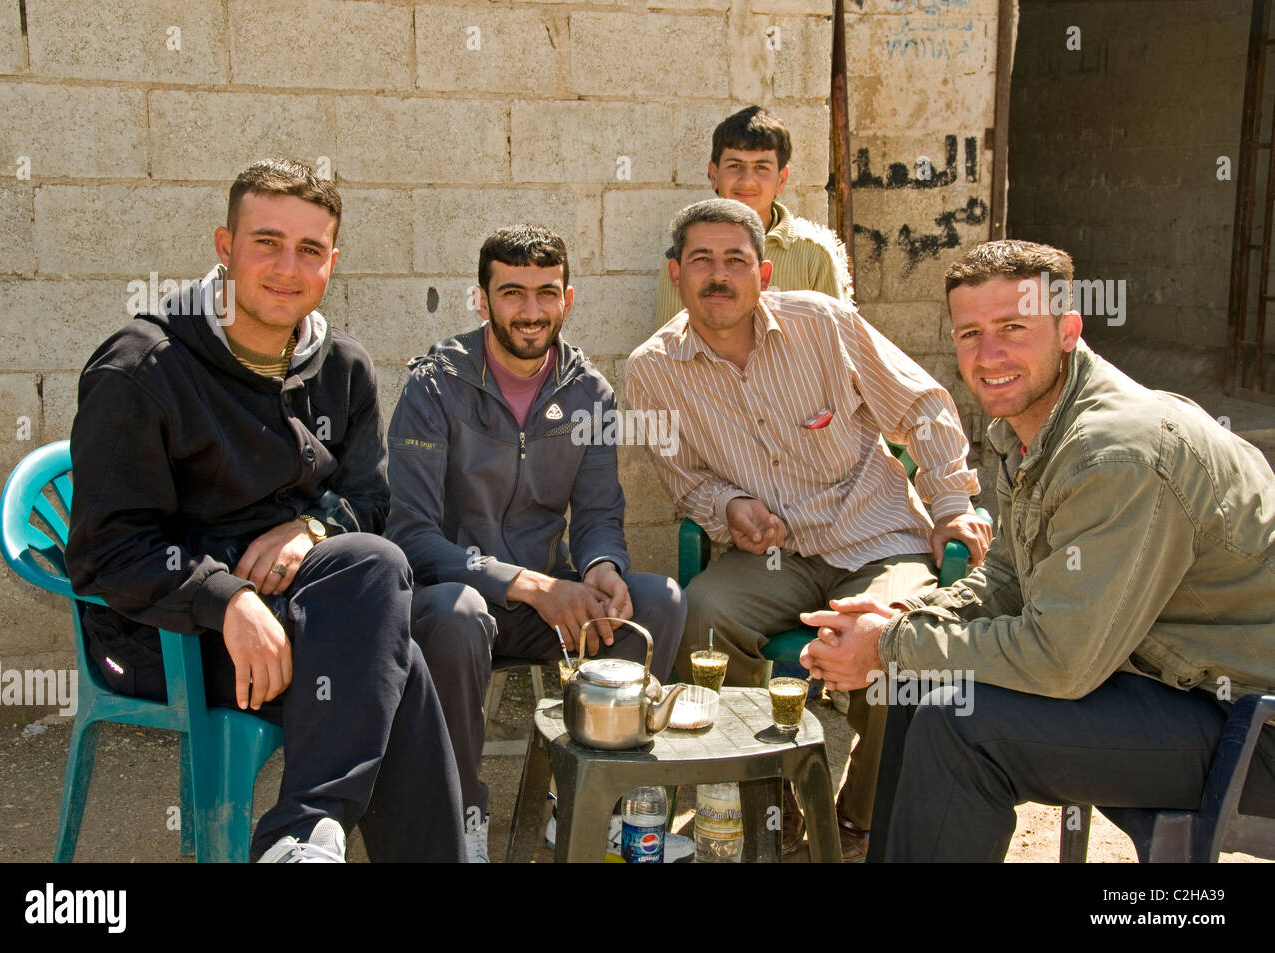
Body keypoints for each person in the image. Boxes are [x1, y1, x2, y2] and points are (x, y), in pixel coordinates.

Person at [799, 239, 1275, 862]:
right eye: (970, 333)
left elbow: (1060, 660)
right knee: (922, 686)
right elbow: (1006, 581)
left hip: (1253, 730)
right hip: (1171, 688)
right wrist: (903, 623)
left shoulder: (1116, 453)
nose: (988, 355)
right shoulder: (1032, 427)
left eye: (1013, 328)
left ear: (1068, 330)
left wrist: (887, 647)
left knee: (962, 725)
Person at [65, 159, 465, 863]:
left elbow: (370, 500)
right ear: (225, 247)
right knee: (394, 663)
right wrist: (227, 600)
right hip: (165, 631)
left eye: (310, 250)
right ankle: (309, 830)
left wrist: (313, 526)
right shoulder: (142, 368)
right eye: (266, 243)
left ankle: (303, 834)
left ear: (333, 262)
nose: (288, 267)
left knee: (374, 565)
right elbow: (106, 552)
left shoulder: (341, 364)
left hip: (304, 606)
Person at [625, 198, 991, 858]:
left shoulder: (823, 324)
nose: (719, 275)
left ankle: (859, 815)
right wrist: (729, 507)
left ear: (764, 274)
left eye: (736, 260)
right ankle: (764, 798)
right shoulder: (651, 370)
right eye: (701, 260)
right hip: (775, 554)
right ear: (675, 274)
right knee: (704, 612)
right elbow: (687, 480)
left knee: (899, 627)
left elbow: (925, 407)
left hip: (877, 537)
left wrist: (948, 504)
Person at [387, 224, 687, 862]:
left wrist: (604, 567)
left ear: (568, 298)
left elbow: (601, 513)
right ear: (483, 299)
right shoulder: (434, 386)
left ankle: (592, 798)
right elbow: (409, 533)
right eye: (512, 292)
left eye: (546, 293)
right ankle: (459, 812)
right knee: (458, 616)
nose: (530, 312)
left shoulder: (589, 393)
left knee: (656, 600)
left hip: (547, 608)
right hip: (453, 603)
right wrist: (526, 585)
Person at [654, 105, 854, 329]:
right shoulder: (683, 255)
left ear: (781, 178)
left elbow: (837, 344)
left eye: (761, 167)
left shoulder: (814, 255)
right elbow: (669, 349)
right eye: (735, 165)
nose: (747, 181)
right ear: (713, 174)